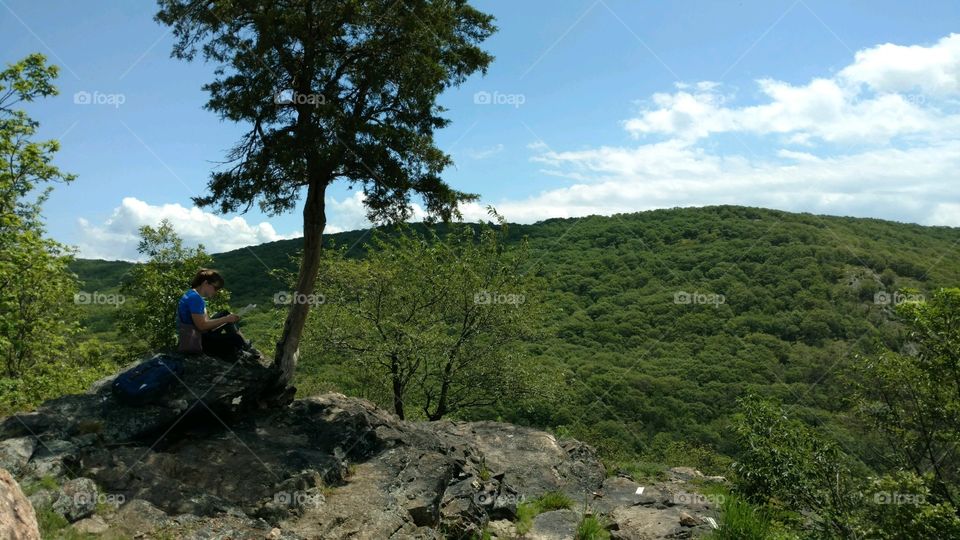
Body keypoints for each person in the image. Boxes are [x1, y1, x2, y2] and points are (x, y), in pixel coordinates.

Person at [177, 269, 257, 361]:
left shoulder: (193, 294)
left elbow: (206, 322)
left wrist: (226, 318)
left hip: (196, 334)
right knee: (235, 338)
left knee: (225, 313)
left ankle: (242, 345)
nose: (216, 291)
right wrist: (225, 320)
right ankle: (240, 349)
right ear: (206, 283)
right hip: (197, 341)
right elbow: (202, 326)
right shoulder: (195, 299)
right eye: (216, 288)